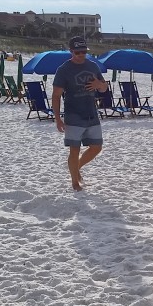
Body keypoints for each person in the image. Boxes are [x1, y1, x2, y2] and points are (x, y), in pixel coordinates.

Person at [51, 36, 109, 191]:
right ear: (71, 52)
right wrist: (58, 119)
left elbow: (104, 88)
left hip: (91, 112)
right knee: (74, 149)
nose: (81, 54)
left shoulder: (93, 66)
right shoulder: (64, 70)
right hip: (73, 115)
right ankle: (74, 182)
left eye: (84, 51)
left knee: (97, 147)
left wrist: (99, 85)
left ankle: (77, 168)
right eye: (78, 52)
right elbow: (56, 95)